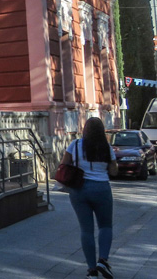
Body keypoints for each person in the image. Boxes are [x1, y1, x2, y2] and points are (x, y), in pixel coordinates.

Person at [60, 117, 118, 278]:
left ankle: (92, 271)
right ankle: (103, 261)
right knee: (105, 226)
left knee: (86, 230)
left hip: (79, 190)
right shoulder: (106, 147)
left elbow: (64, 165)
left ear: (85, 129)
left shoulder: (75, 145)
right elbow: (113, 171)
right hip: (101, 189)